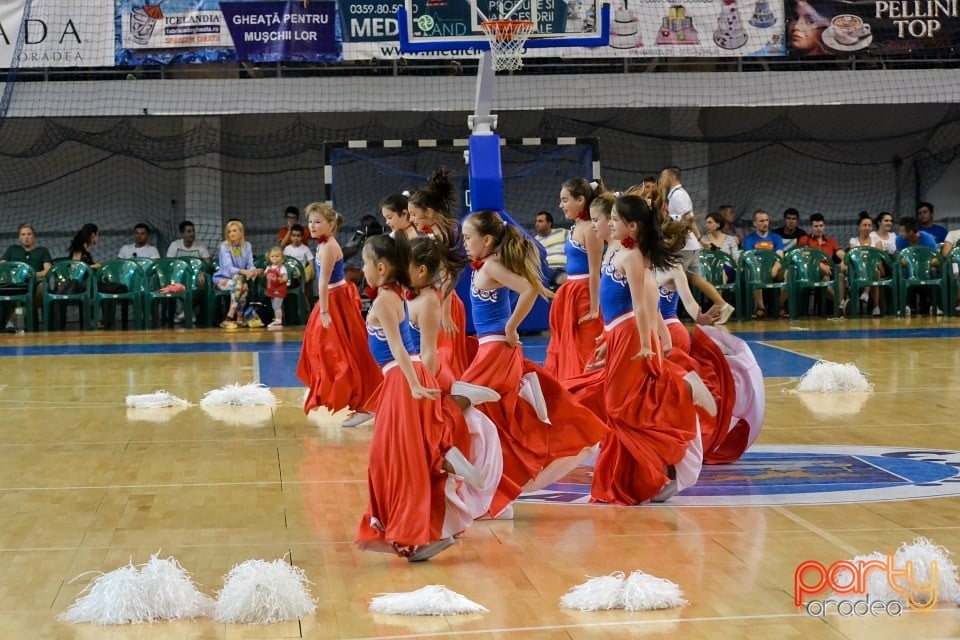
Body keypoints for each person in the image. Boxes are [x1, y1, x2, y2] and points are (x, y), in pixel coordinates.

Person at [452, 210, 607, 519]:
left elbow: (529, 289)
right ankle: (499, 492)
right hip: (490, 349)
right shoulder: (486, 265)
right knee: (495, 423)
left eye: (468, 238)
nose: (465, 243)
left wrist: (511, 327)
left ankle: (499, 493)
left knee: (471, 412)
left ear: (487, 239)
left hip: (495, 350)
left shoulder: (493, 265)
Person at [590, 194, 713, 505]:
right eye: (610, 219)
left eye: (614, 220)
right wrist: (607, 339)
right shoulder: (616, 249)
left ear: (632, 227)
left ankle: (680, 390)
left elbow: (642, 304)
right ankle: (645, 476)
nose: (608, 224)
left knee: (620, 408)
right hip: (618, 334)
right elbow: (614, 304)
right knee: (624, 408)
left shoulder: (632, 257)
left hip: (632, 335)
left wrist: (647, 343)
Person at [355, 233, 471, 562]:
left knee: (395, 463)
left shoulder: (384, 300)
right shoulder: (392, 294)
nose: (362, 269)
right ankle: (420, 529)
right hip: (401, 379)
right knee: (395, 460)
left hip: (401, 380)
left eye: (365, 263)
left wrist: (415, 385)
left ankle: (416, 534)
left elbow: (398, 349)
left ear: (380, 267)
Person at [296, 202, 382, 425]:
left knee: (344, 350)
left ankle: (363, 400)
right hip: (332, 298)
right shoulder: (321, 245)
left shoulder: (329, 247)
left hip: (335, 300)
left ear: (331, 225)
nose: (312, 226)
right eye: (310, 222)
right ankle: (331, 389)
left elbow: (323, 283)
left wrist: (324, 310)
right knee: (322, 346)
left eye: (317, 222)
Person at [408, 168, 472, 378]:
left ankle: (438, 400)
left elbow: (447, 277)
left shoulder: (441, 237)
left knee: (442, 356)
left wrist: (445, 313)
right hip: (444, 301)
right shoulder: (444, 232)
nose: (412, 219)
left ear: (429, 212)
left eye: (414, 214)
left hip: (444, 302)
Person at [543, 178, 604, 380]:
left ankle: (587, 388)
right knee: (569, 344)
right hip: (571, 292)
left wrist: (595, 308)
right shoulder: (574, 227)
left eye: (565, 200)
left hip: (585, 294)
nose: (561, 205)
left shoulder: (590, 229)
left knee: (587, 347)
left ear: (580, 200)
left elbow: (595, 271)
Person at [659, 166, 735, 325]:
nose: (661, 179)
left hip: (684, 244)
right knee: (695, 278)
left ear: (672, 176)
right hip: (690, 243)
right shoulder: (677, 195)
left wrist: (700, 237)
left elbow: (688, 219)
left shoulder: (678, 196)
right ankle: (723, 305)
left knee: (670, 278)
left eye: (664, 175)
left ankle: (669, 315)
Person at [1, 224, 52, 332]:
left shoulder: (42, 251)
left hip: (35, 283)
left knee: (43, 287)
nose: (26, 237)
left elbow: (47, 270)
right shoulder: (12, 250)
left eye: (29, 234)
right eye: (23, 234)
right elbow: (2, 266)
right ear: (19, 237)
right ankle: (16, 321)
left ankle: (15, 319)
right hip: (15, 284)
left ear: (34, 236)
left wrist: (31, 275)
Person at [212, 220, 259, 329]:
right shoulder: (224, 246)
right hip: (222, 279)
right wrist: (244, 272)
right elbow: (229, 268)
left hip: (239, 280)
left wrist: (253, 271)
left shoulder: (247, 246)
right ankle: (229, 317)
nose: (231, 233)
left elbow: (250, 264)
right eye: (229, 231)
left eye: (234, 230)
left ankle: (239, 318)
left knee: (244, 286)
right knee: (238, 284)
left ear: (241, 232)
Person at [743, 209, 787, 319]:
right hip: (758, 269)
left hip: (774, 269)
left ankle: (780, 306)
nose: (765, 223)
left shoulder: (776, 237)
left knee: (789, 273)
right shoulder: (749, 239)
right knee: (752, 273)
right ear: (755, 224)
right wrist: (761, 270)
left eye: (767, 220)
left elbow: (780, 255)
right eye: (761, 221)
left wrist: (775, 269)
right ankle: (761, 308)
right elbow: (750, 258)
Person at [798, 213, 845, 312]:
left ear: (824, 226)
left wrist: (844, 260)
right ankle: (841, 304)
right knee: (825, 277)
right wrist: (819, 264)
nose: (819, 228)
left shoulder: (830, 241)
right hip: (810, 272)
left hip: (829, 270)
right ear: (811, 227)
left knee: (840, 275)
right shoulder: (804, 239)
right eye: (816, 226)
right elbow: (805, 256)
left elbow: (841, 253)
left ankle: (840, 307)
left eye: (821, 226)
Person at [848, 212, 878, 315]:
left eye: (869, 225)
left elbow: (878, 257)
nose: (867, 227)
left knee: (875, 271)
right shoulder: (853, 241)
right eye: (864, 225)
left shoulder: (877, 241)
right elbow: (854, 256)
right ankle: (865, 294)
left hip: (876, 267)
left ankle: (875, 306)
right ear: (859, 227)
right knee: (870, 270)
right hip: (858, 270)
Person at [342, 214, 384, 285]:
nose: (368, 229)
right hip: (356, 269)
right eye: (365, 226)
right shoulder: (358, 235)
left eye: (371, 227)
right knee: (347, 274)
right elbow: (344, 253)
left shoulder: (383, 237)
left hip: (375, 270)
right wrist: (359, 243)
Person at [701, 211, 740, 283]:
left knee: (721, 272)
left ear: (718, 224)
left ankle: (719, 293)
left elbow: (736, 257)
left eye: (710, 222)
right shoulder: (703, 241)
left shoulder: (730, 239)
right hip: (709, 269)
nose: (707, 225)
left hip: (727, 268)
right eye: (706, 223)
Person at [533, 210, 568, 289]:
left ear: (549, 223)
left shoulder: (562, 232)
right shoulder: (535, 241)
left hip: (565, 268)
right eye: (536, 221)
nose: (537, 224)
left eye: (540, 221)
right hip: (547, 270)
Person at [282, 223, 315, 290]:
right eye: (294, 235)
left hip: (300, 277)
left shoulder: (305, 249)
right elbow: (283, 262)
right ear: (290, 237)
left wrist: (312, 272)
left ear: (302, 237)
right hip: (288, 275)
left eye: (298, 236)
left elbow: (311, 263)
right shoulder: (287, 249)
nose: (296, 238)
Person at [264, 246, 289, 331]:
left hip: (279, 289)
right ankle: (277, 318)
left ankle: (278, 321)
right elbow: (265, 274)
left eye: (277, 256)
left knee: (277, 306)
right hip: (271, 289)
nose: (274, 258)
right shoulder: (269, 267)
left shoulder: (281, 268)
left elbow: (285, 277)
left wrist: (282, 279)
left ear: (281, 258)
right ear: (269, 257)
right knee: (274, 305)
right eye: (272, 256)